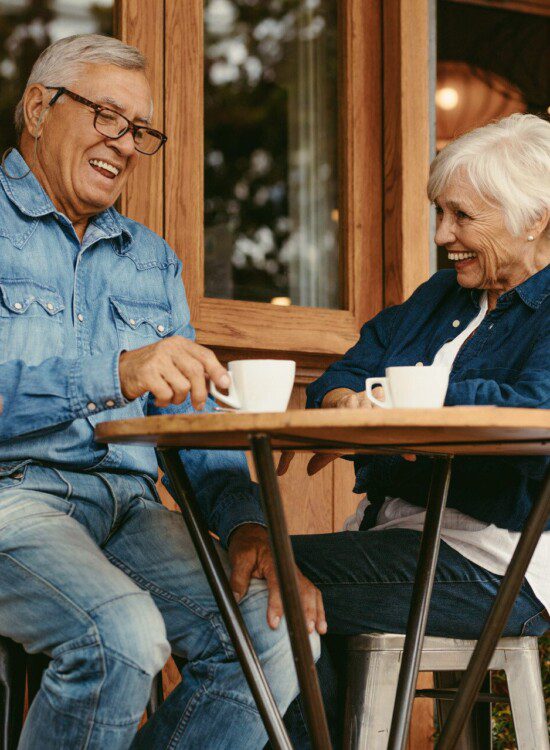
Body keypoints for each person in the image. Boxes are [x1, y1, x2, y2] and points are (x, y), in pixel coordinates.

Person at [0, 34, 323, 750]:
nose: (124, 141)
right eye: (107, 115)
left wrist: (247, 527)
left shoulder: (151, 260)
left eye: (140, 129)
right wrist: (112, 372)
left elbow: (193, 431)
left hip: (130, 507)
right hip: (13, 493)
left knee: (278, 638)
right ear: (37, 107)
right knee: (123, 636)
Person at [277, 112, 550, 745]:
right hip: (394, 538)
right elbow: (345, 372)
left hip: (497, 564)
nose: (441, 234)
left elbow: (537, 410)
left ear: (533, 218)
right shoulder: (440, 296)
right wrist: (347, 403)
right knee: (258, 577)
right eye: (439, 214)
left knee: (259, 576)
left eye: (461, 216)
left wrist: (413, 404)